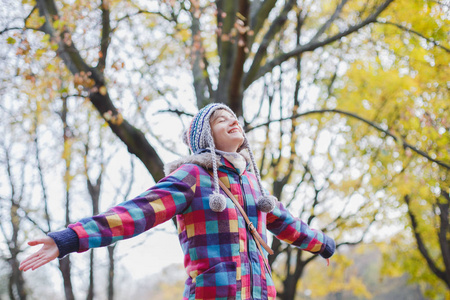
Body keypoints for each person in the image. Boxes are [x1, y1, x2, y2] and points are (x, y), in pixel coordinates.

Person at [20, 103, 335, 300]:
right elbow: (138, 211)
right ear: (206, 137)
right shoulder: (193, 177)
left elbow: (289, 224)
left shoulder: (254, 185)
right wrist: (68, 238)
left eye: (233, 116)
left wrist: (323, 244)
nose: (232, 121)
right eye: (220, 120)